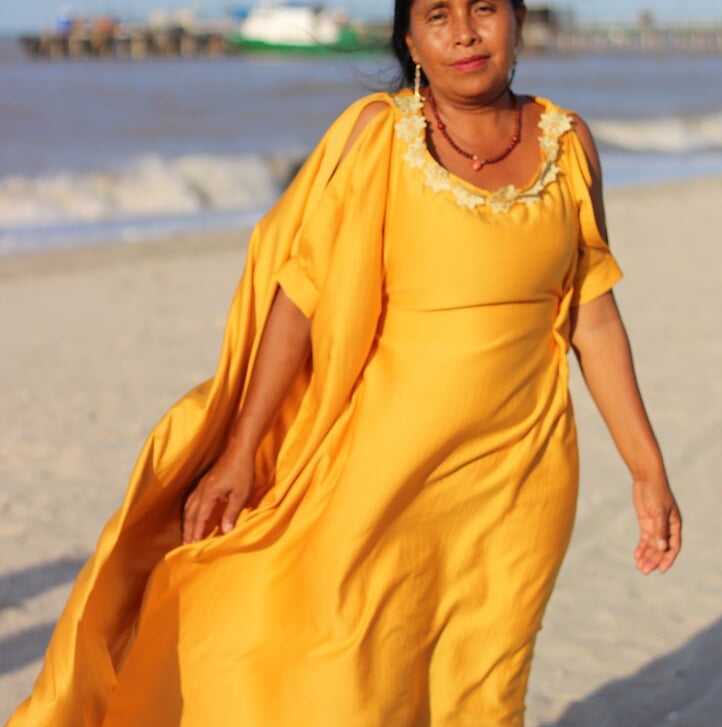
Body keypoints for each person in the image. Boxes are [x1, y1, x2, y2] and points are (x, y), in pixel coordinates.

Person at [6, 1, 682, 725]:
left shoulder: (568, 143)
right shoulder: (380, 139)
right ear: (410, 38)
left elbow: (594, 315)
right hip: (377, 466)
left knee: (482, 685)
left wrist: (646, 469)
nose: (463, 32)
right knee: (344, 670)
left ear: (517, 19)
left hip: (519, 476)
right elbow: (299, 302)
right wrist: (239, 453)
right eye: (437, 16)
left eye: (485, 9)